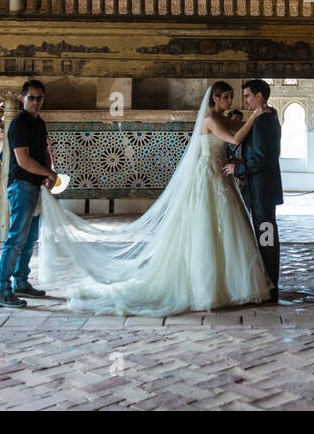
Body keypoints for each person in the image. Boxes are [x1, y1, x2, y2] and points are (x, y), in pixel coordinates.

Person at [36, 83, 272, 315]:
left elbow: (238, 127)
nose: (230, 101)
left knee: (229, 230)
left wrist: (262, 115)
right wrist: (255, 115)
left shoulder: (223, 117)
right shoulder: (210, 119)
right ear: (215, 100)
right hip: (208, 176)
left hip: (221, 176)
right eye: (226, 97)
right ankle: (207, 288)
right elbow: (235, 139)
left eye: (232, 97)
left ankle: (230, 283)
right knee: (205, 228)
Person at [0, 80, 61, 309]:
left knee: (30, 239)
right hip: (21, 186)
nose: (35, 102)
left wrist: (47, 174)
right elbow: (23, 161)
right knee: (16, 239)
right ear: (22, 98)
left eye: (39, 98)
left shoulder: (39, 123)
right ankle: (2, 290)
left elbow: (44, 151)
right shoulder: (19, 124)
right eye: (31, 98)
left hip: (35, 186)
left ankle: (21, 283)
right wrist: (48, 173)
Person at [229, 79, 284, 301]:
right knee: (264, 233)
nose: (246, 100)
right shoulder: (267, 117)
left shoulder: (263, 122)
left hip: (262, 188)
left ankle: (271, 285)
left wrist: (238, 168)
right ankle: (267, 281)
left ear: (259, 96)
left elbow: (262, 158)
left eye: (248, 96)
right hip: (261, 187)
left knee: (267, 235)